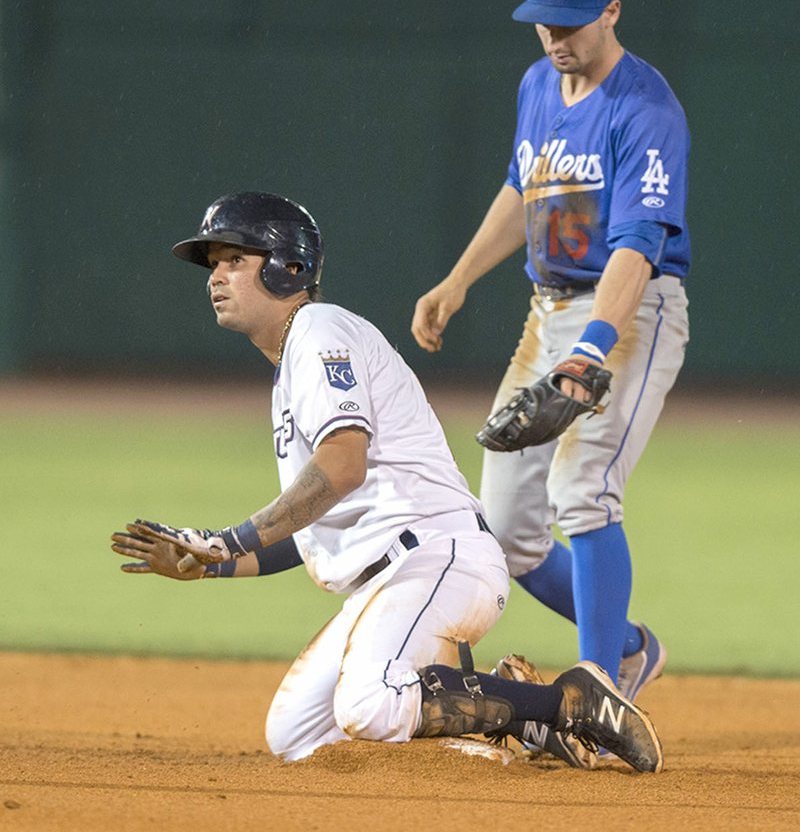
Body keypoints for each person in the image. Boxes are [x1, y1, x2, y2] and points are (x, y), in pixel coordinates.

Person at [111, 190, 663, 773]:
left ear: (287, 267)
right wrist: (210, 562)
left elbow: (342, 466)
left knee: (370, 705)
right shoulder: (293, 364)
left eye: (232, 260)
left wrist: (230, 537)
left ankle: (565, 702)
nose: (214, 276)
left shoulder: (320, 331)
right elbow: (308, 532)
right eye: (213, 265)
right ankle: (510, 709)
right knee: (296, 736)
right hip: (392, 579)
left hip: (438, 559)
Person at [411, 0, 690, 738]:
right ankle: (631, 649)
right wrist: (459, 278)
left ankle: (601, 693)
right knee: (507, 526)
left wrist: (592, 348)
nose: (556, 38)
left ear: (612, 11)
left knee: (585, 488)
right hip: (549, 311)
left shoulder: (646, 108)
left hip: (630, 310)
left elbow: (637, 249)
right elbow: (521, 185)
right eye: (543, 24)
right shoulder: (538, 84)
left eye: (571, 23)